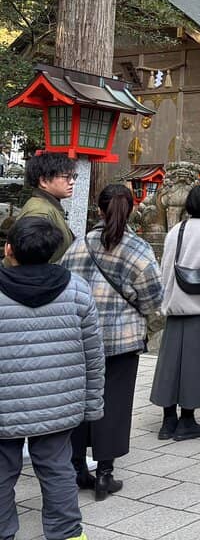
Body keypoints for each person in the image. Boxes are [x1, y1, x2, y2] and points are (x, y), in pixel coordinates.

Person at [0, 217, 103, 540]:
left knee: (1, 473)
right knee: (58, 469)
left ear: (8, 249)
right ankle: (68, 534)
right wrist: (92, 404)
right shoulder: (76, 290)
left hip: (4, 405)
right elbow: (93, 355)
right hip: (60, 403)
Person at [61, 184, 163, 500]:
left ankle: (77, 467)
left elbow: (63, 286)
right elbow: (153, 298)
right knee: (114, 405)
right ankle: (105, 473)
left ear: (99, 209)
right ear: (132, 209)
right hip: (121, 340)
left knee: (78, 402)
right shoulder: (138, 249)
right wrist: (153, 322)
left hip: (79, 338)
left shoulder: (78, 246)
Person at [150, 184, 200, 441]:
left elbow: (165, 267)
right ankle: (187, 419)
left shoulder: (175, 231)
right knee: (197, 365)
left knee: (170, 364)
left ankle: (167, 419)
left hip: (175, 303)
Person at [9, 151, 77, 264]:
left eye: (74, 176)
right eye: (66, 177)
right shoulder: (40, 212)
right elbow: (31, 261)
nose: (72, 182)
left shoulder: (48, 206)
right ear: (44, 181)